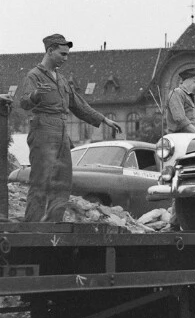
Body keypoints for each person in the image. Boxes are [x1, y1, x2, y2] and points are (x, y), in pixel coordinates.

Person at [17, 34, 122, 222]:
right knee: (41, 181)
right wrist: (34, 95)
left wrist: (104, 119)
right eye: (62, 54)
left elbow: (78, 105)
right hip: (44, 129)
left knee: (63, 182)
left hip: (62, 131)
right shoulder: (33, 75)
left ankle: (53, 225)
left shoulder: (62, 80)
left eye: (67, 55)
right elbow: (23, 102)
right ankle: (34, 227)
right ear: (50, 51)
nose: (66, 58)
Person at [165, 67, 195, 134]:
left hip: (187, 138)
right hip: (179, 140)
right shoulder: (176, 93)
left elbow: (187, 121)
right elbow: (180, 120)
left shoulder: (188, 96)